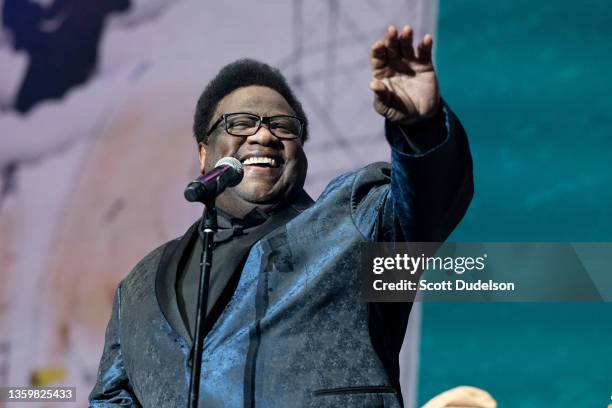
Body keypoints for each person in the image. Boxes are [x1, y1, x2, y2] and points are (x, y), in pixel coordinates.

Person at [90, 25, 478, 407]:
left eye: (283, 127)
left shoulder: (357, 223)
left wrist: (421, 127)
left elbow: (429, 203)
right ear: (204, 154)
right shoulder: (138, 287)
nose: (264, 136)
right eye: (240, 123)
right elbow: (112, 398)